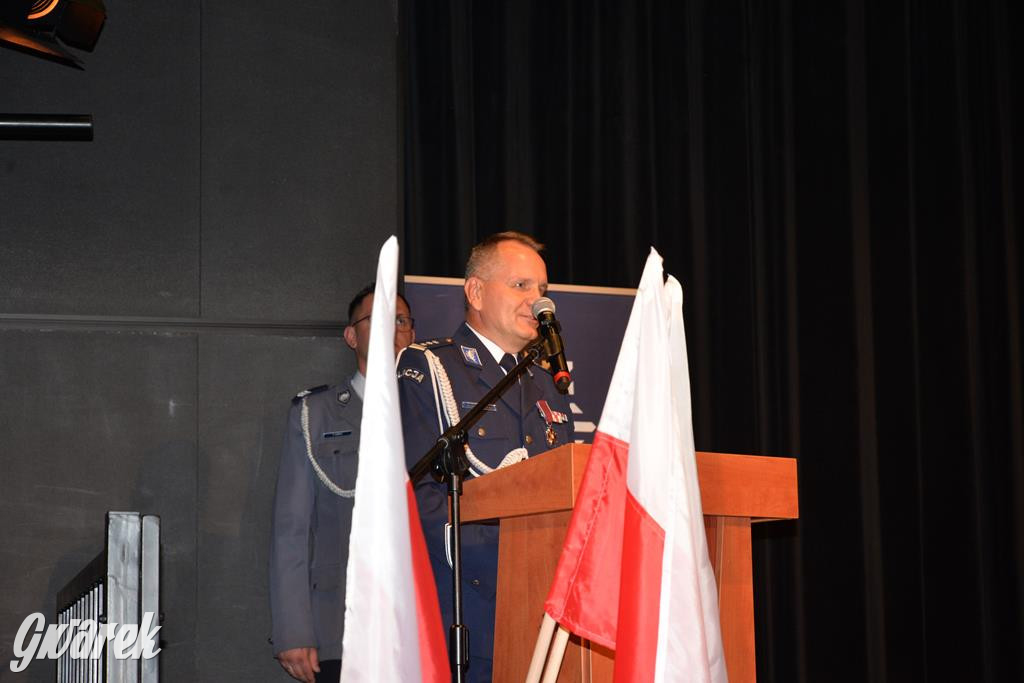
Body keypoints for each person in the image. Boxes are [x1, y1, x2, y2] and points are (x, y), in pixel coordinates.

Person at [397, 232, 574, 682]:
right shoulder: (430, 369)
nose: (538, 302)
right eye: (521, 286)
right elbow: (424, 501)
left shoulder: (547, 385)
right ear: (475, 292)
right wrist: (522, 567)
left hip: (548, 623)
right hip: (467, 618)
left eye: (543, 290)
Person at [269, 283, 415, 683]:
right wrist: (293, 629)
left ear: (413, 335)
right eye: (378, 318)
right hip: (343, 623)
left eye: (400, 320)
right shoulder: (316, 414)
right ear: (351, 336)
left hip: (425, 623)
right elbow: (291, 530)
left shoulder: (435, 412)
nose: (392, 326)